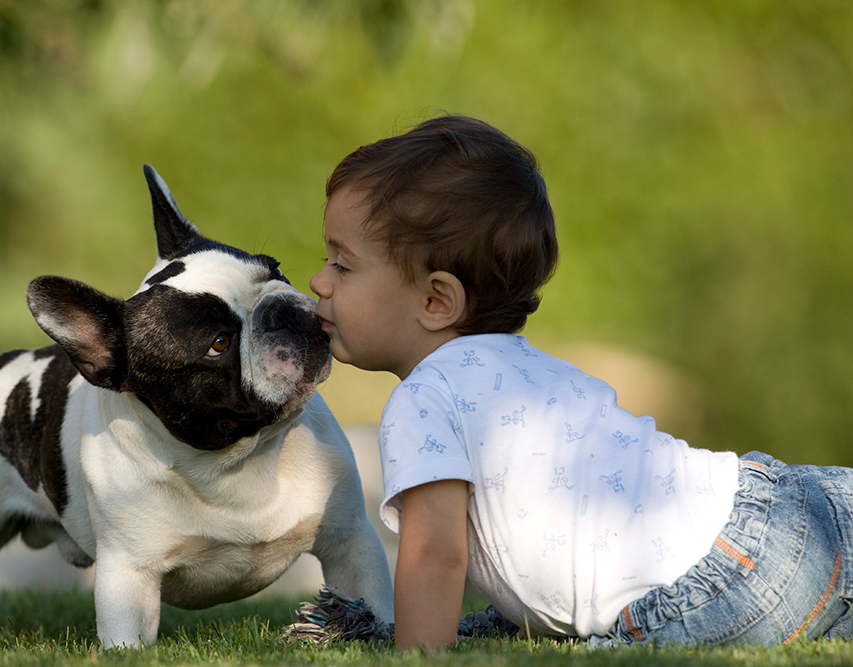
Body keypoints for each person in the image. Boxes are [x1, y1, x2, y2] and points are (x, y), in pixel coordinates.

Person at [308, 114, 853, 650]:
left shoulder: (423, 399)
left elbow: (436, 554)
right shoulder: (528, 367)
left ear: (436, 300)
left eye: (343, 265)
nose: (318, 281)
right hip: (790, 512)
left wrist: (415, 656)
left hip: (718, 583)